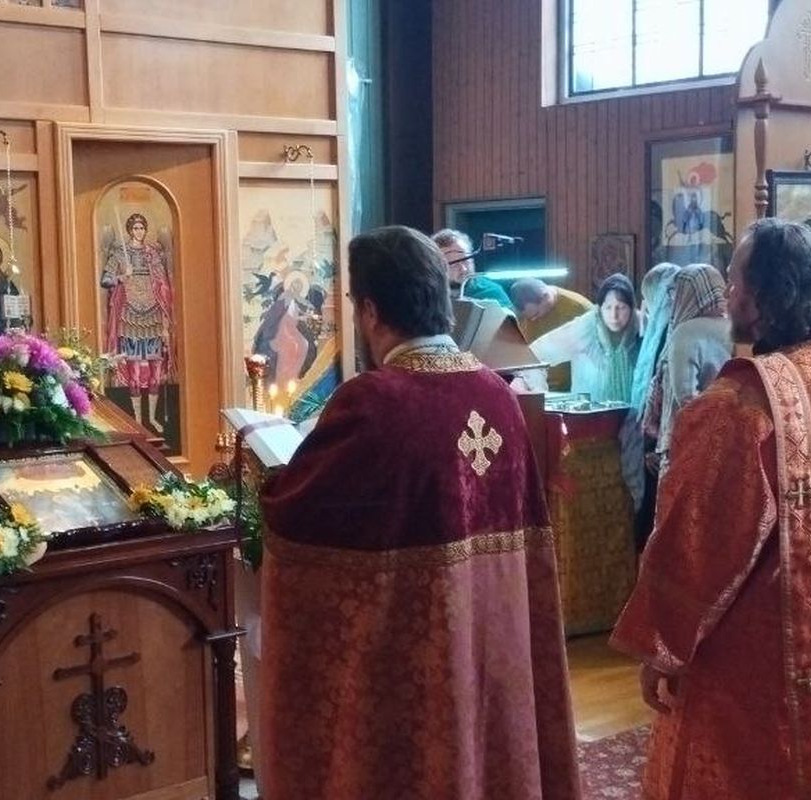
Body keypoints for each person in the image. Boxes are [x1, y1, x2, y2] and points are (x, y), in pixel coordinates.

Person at [257, 225, 579, 800]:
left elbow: (297, 513)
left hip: (414, 666)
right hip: (490, 645)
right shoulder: (497, 396)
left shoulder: (375, 401)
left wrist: (266, 478)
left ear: (371, 310)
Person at [612, 219, 811, 799]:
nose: (727, 294)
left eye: (734, 281)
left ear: (764, 295)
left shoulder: (743, 405)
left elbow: (700, 542)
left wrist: (663, 647)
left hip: (765, 653)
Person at [643, 264, 732, 474]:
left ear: (686, 292)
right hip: (727, 442)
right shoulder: (736, 329)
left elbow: (685, 398)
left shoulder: (685, 332)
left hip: (686, 445)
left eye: (676, 293)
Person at [621, 262, 682, 550]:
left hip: (663, 441)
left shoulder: (675, 331)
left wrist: (650, 443)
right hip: (664, 438)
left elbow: (664, 390)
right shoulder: (666, 325)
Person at [101, 212, 176, 429]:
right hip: (130, 316)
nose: (139, 232)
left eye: (142, 228)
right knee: (133, 370)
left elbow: (163, 284)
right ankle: (138, 419)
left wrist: (165, 320)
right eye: (135, 228)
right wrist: (122, 277)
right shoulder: (119, 254)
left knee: (155, 370)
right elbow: (105, 280)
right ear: (129, 230)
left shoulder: (152, 254)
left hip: (153, 315)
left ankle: (152, 417)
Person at [530, 273, 641, 404]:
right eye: (608, 307)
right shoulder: (585, 327)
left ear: (632, 308)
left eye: (621, 308)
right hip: (590, 413)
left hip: (635, 414)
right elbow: (535, 354)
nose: (614, 316)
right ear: (600, 308)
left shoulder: (643, 326)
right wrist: (539, 395)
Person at [511, 277, 593, 391]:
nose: (533, 320)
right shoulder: (525, 317)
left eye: (536, 314)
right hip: (539, 387)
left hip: (572, 388)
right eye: (529, 318)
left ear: (546, 297)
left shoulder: (579, 308)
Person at [433, 228, 515, 312]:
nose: (464, 269)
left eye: (466, 260)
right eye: (454, 264)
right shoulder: (429, 295)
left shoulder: (491, 291)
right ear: (437, 267)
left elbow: (509, 319)